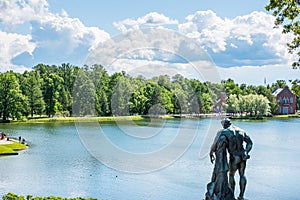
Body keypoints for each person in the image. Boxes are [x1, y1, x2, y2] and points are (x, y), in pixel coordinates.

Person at [210, 118, 253, 200]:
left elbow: (215, 144)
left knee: (231, 175)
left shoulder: (224, 132)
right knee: (242, 175)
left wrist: (211, 152)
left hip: (234, 157)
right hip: (243, 155)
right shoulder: (241, 131)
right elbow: (250, 143)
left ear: (224, 124)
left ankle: (232, 195)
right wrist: (246, 151)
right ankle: (241, 196)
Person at [206, 128, 235, 200]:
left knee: (220, 179)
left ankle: (218, 194)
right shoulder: (223, 146)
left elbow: (215, 148)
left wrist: (211, 152)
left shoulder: (220, 146)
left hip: (221, 166)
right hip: (221, 166)